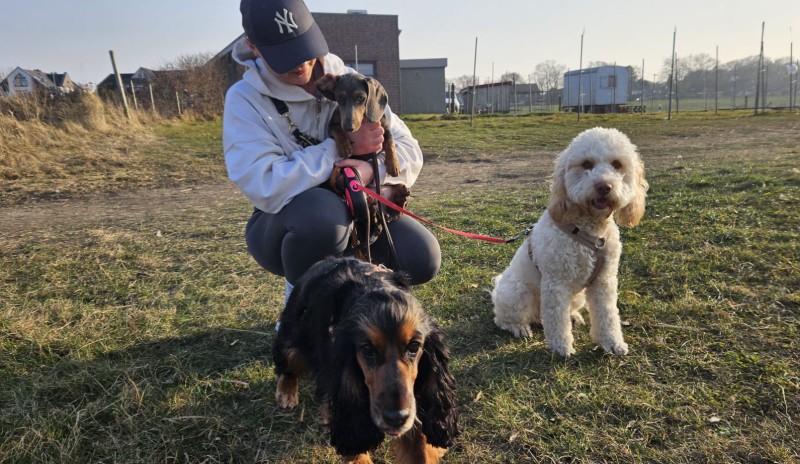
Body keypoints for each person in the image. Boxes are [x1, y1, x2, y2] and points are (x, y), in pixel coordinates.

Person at [223, 0, 441, 301]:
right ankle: (298, 305)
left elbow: (409, 149)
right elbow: (264, 183)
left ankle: (359, 301)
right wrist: (340, 151)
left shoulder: (351, 83)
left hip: (359, 211)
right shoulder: (244, 99)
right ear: (254, 47)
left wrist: (366, 169)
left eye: (303, 47)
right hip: (288, 225)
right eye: (284, 55)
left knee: (421, 256)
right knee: (322, 217)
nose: (301, 63)